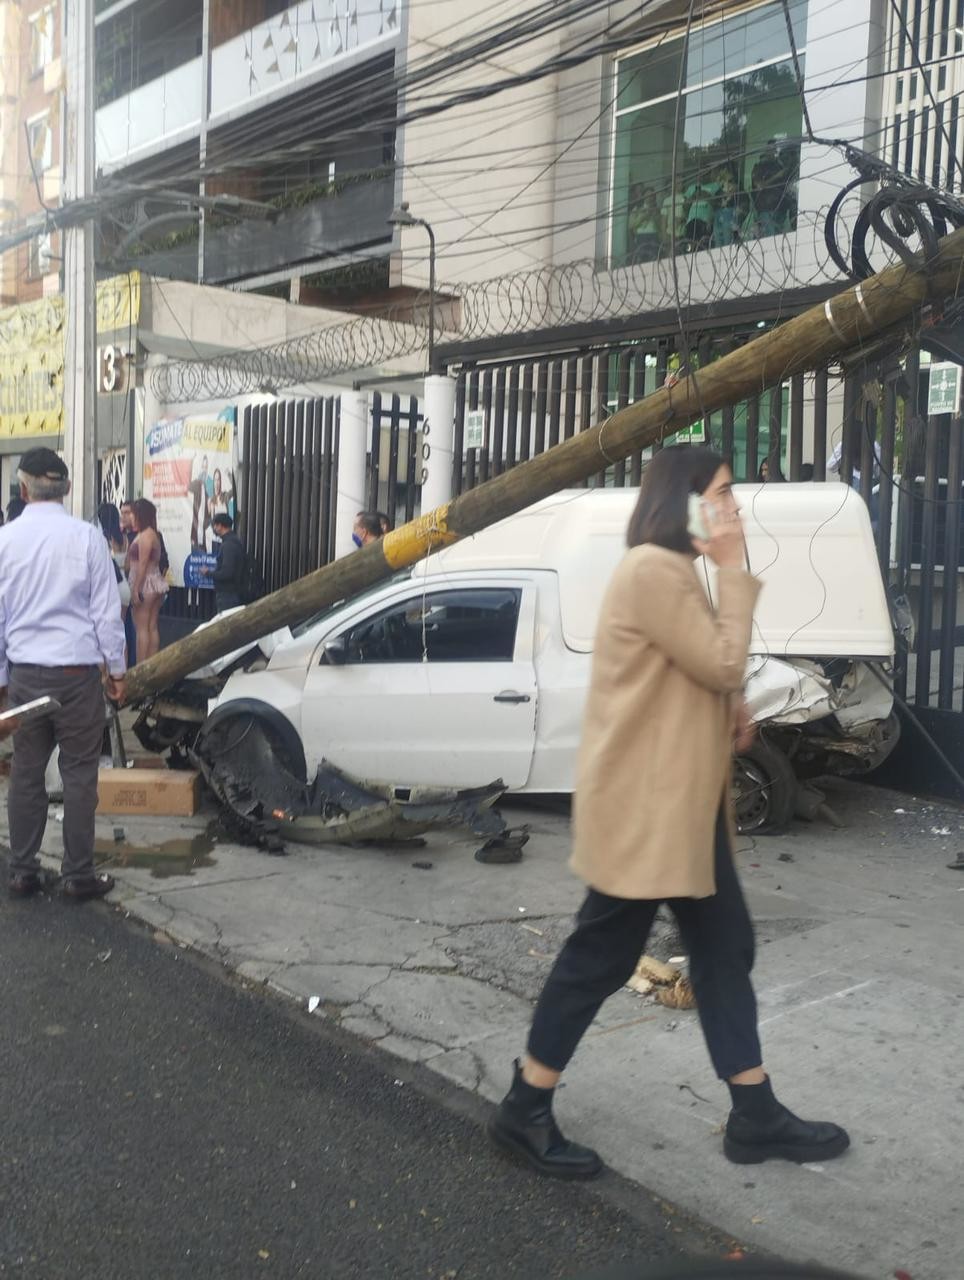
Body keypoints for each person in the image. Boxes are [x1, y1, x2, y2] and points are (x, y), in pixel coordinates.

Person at [488, 446, 848, 1178]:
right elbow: (716, 659)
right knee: (602, 954)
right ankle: (525, 1107)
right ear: (680, 502)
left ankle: (754, 1113)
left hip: (680, 810)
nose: (732, 509)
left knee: (724, 947)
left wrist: (732, 703)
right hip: (646, 810)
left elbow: (694, 670)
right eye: (720, 496)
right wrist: (735, 567)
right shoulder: (655, 570)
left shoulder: (672, 571)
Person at [0, 447, 125, 901]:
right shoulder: (87, 538)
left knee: (27, 773)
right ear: (68, 489)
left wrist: (1, 681)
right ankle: (77, 876)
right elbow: (106, 615)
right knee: (78, 776)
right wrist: (117, 671)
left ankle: (22, 871)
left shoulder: (4, 541)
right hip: (75, 679)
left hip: (26, 678)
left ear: (23, 488)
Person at [128, 498, 169, 661]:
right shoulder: (153, 534)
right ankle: (151, 667)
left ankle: (141, 667)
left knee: (141, 628)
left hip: (145, 584)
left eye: (132, 514)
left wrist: (136, 589)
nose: (131, 517)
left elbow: (143, 563)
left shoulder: (145, 536)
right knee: (152, 627)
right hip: (155, 582)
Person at [203, 513, 246, 611]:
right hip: (232, 592)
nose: (214, 528)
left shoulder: (228, 545)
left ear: (220, 526)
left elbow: (227, 572)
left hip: (228, 594)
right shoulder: (233, 541)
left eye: (215, 525)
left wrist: (208, 573)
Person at [97, 501, 131, 617]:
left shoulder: (103, 539)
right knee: (121, 628)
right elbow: (128, 566)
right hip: (125, 587)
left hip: (111, 586)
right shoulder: (126, 538)